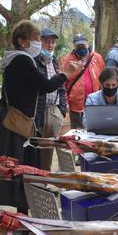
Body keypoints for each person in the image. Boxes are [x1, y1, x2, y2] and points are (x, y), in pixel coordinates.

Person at [0, 20, 79, 212]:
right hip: (16, 123)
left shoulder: (18, 59)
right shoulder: (21, 60)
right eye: (36, 39)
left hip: (13, 120)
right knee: (15, 166)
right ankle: (11, 209)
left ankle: (12, 208)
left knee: (12, 166)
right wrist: (66, 74)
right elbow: (45, 86)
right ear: (22, 41)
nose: (39, 42)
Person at [34, 28, 68, 170]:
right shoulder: (34, 61)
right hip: (39, 112)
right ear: (39, 42)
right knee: (36, 149)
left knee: (49, 151)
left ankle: (46, 183)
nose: (50, 45)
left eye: (53, 42)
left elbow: (61, 86)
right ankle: (35, 183)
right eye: (47, 41)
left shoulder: (55, 61)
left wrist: (62, 110)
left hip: (54, 111)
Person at [63, 34, 105, 129]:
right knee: (77, 134)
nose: (81, 47)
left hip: (95, 103)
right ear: (74, 47)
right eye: (78, 46)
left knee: (95, 131)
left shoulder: (97, 58)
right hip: (76, 105)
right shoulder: (68, 60)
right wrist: (65, 102)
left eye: (83, 45)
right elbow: (63, 83)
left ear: (87, 44)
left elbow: (103, 78)